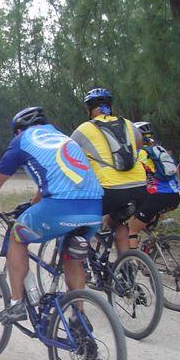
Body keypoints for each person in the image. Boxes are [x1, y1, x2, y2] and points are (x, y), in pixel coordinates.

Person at [0, 107, 103, 323]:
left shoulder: (23, 140)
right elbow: (52, 180)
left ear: (18, 130)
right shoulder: (63, 138)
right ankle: (79, 317)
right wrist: (31, 205)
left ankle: (17, 303)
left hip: (61, 205)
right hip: (94, 208)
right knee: (71, 255)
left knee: (16, 237)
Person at [70, 88, 147, 255]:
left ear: (89, 109)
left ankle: (81, 266)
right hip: (141, 187)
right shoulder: (129, 124)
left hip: (111, 190)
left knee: (76, 220)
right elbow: (139, 146)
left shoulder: (84, 129)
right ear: (110, 107)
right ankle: (126, 270)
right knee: (119, 223)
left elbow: (68, 157)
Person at [127, 121, 180, 248]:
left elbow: (132, 178)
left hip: (157, 197)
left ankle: (133, 264)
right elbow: (175, 172)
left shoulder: (140, 154)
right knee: (148, 222)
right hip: (174, 197)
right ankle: (154, 246)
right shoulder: (161, 151)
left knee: (132, 229)